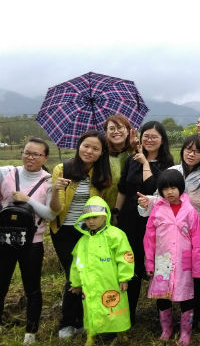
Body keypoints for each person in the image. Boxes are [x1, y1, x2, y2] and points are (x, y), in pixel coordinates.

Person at [137, 134, 200, 335]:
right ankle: (184, 321)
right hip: (172, 238)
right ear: (182, 150)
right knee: (178, 278)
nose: (192, 154)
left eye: (197, 151)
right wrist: (147, 201)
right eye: (188, 149)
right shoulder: (172, 172)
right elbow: (161, 199)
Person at [49, 130, 112, 339]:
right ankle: (67, 323)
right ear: (79, 146)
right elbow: (55, 209)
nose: (89, 151)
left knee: (86, 275)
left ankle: (82, 320)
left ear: (101, 153)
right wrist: (55, 190)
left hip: (87, 232)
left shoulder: (101, 174)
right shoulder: (62, 169)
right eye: (86, 146)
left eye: (95, 148)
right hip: (63, 231)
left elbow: (100, 204)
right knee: (73, 276)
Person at [115, 121, 174, 325]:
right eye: (146, 135)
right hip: (130, 218)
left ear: (162, 140)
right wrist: (116, 211)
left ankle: (164, 317)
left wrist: (146, 164)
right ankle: (128, 314)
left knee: (158, 265)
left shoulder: (168, 163)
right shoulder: (132, 159)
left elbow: (155, 188)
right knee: (130, 263)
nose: (149, 140)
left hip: (155, 220)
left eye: (154, 137)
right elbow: (123, 187)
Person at [143, 169, 200, 345]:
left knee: (186, 295)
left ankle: (185, 332)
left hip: (183, 262)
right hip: (163, 262)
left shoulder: (189, 210)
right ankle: (167, 329)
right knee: (163, 295)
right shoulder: (157, 211)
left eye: (173, 187)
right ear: (161, 191)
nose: (169, 192)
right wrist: (149, 263)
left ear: (180, 188)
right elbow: (149, 240)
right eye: (165, 189)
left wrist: (199, 268)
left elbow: (198, 242)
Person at [0, 138, 55, 344]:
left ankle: (30, 331)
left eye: (36, 154)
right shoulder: (7, 173)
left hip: (32, 242)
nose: (30, 157)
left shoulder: (49, 181)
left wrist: (27, 199)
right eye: (26, 152)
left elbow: (50, 214)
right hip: (4, 239)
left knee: (32, 287)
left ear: (45, 158)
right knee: (1, 283)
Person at [69, 196, 134, 346]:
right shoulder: (83, 241)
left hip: (111, 282)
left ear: (105, 216)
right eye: (87, 218)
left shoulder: (116, 235)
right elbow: (76, 263)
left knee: (116, 307)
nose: (91, 221)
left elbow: (125, 257)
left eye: (95, 217)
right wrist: (76, 282)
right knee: (91, 307)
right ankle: (91, 334)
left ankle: (121, 331)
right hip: (90, 285)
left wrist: (124, 278)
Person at [103, 114, 138, 210]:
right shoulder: (102, 155)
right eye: (111, 128)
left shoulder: (138, 151)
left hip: (133, 206)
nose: (116, 131)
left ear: (128, 131)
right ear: (106, 132)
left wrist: (135, 149)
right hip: (106, 206)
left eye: (119, 128)